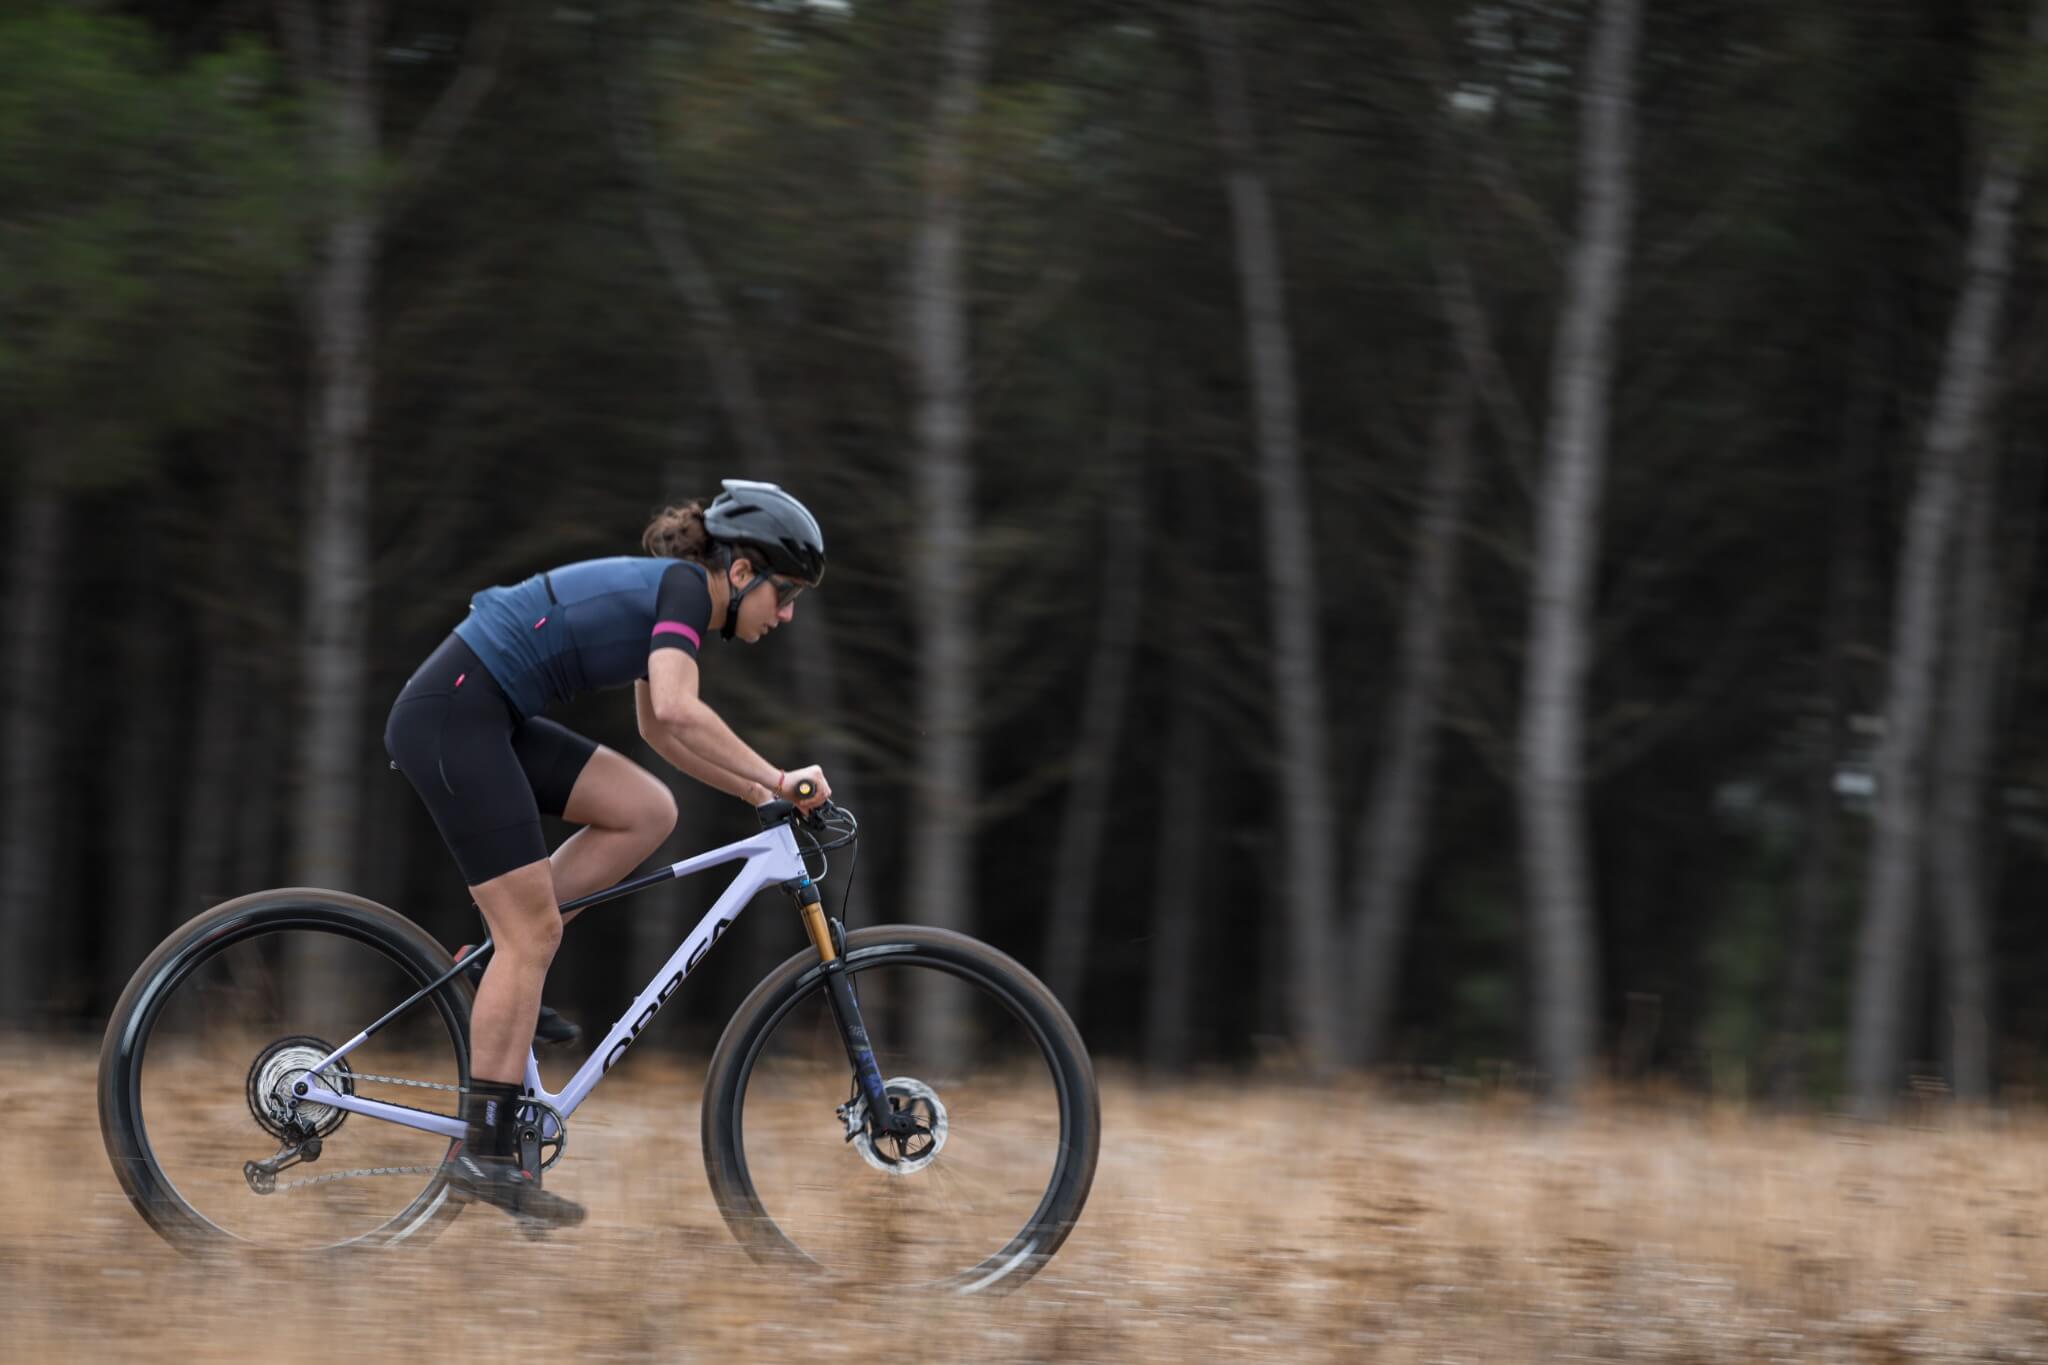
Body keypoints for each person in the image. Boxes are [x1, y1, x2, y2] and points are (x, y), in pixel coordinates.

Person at [383, 479, 832, 1228]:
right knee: (535, 932)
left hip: (478, 713)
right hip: (455, 715)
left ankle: (493, 963)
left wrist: (758, 794)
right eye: (785, 595)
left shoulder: (674, 596)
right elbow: (680, 709)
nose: (785, 615)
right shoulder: (687, 590)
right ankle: (485, 1150)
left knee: (645, 809)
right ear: (745, 571)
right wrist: (779, 774)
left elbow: (661, 729)